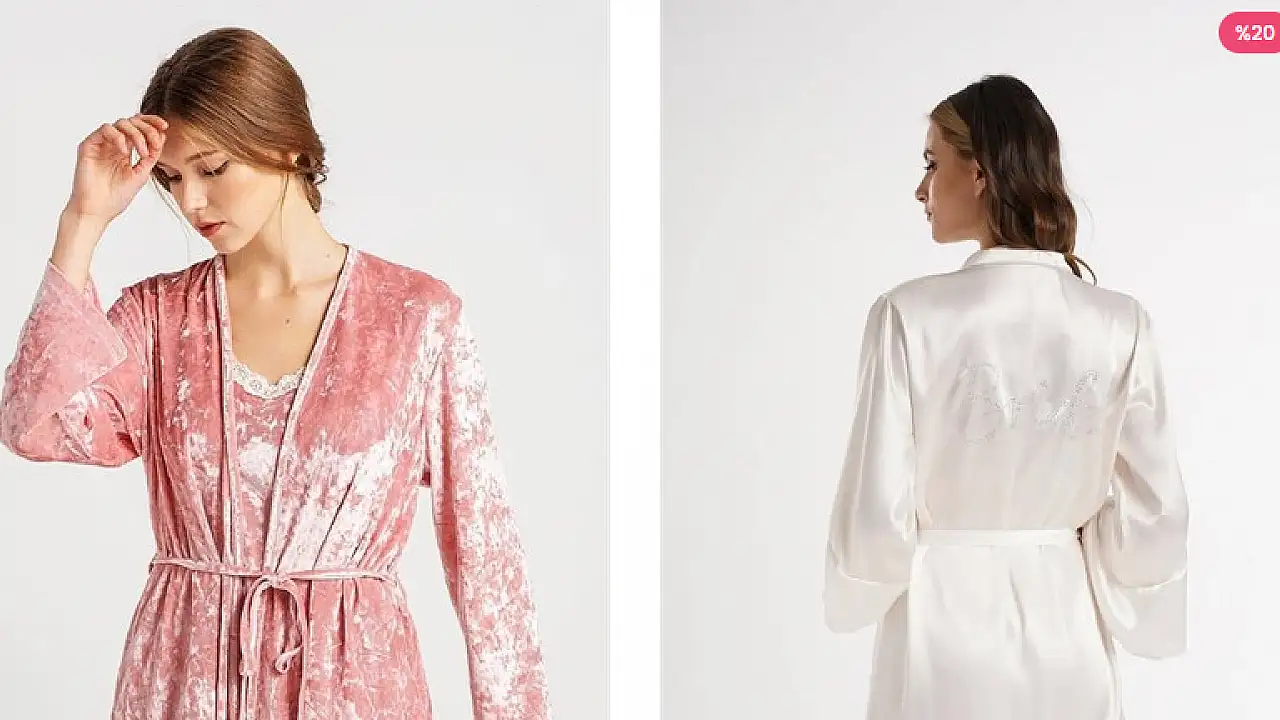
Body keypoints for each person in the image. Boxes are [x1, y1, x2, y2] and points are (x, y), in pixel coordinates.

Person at [0, 27, 550, 720]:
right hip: (185, 682)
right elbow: (34, 424)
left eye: (212, 168)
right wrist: (82, 222)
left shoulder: (415, 318)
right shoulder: (157, 318)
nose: (191, 203)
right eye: (173, 179)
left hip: (353, 690)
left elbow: (486, 559)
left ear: (288, 146)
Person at [823, 74, 1189, 720]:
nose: (920, 189)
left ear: (979, 172)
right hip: (1068, 631)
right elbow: (1155, 517)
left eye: (932, 163)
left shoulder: (909, 316)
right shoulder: (1118, 325)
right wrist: (1080, 540)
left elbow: (875, 518)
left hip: (943, 633)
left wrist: (858, 586)